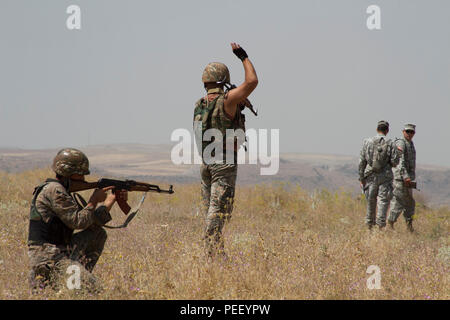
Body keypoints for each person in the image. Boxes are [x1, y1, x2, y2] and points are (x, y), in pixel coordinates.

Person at [27, 148, 127, 292]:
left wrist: (111, 199)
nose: (84, 179)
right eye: (81, 175)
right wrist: (93, 201)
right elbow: (78, 222)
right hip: (48, 257)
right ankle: (74, 282)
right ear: (70, 174)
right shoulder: (55, 190)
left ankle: (76, 278)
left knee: (98, 233)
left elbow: (90, 221)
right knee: (94, 289)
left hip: (61, 250)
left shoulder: (61, 190)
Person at [193, 43, 258, 257]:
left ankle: (219, 261)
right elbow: (252, 81)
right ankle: (210, 255)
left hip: (205, 165)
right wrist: (243, 57)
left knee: (213, 214)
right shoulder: (228, 100)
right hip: (223, 165)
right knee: (217, 217)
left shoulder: (200, 104)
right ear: (224, 80)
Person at [358, 121, 400, 230]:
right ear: (387, 130)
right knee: (383, 201)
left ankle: (369, 227)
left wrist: (361, 178)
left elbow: (362, 161)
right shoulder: (391, 143)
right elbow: (395, 162)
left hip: (370, 176)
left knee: (370, 201)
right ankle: (380, 228)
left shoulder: (367, 142)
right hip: (385, 177)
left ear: (377, 129)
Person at [388, 124, 417, 232]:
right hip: (401, 179)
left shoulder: (410, 144)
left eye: (412, 132)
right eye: (407, 131)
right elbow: (401, 162)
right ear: (403, 131)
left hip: (408, 179)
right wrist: (405, 177)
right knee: (398, 201)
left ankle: (409, 226)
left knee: (410, 203)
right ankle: (390, 224)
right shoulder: (401, 143)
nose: (409, 134)